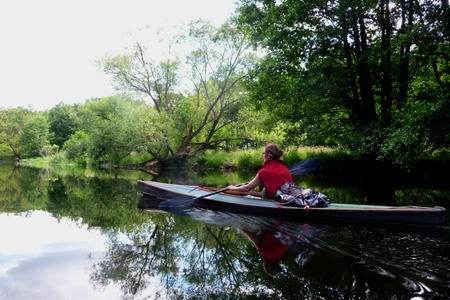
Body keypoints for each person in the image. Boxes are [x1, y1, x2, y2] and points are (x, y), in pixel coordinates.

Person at [227, 143, 293, 198]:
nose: (262, 155)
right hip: (286, 198)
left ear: (269, 156)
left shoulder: (264, 172)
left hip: (272, 200)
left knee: (245, 194)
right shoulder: (284, 167)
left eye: (263, 153)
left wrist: (233, 188)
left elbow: (246, 188)